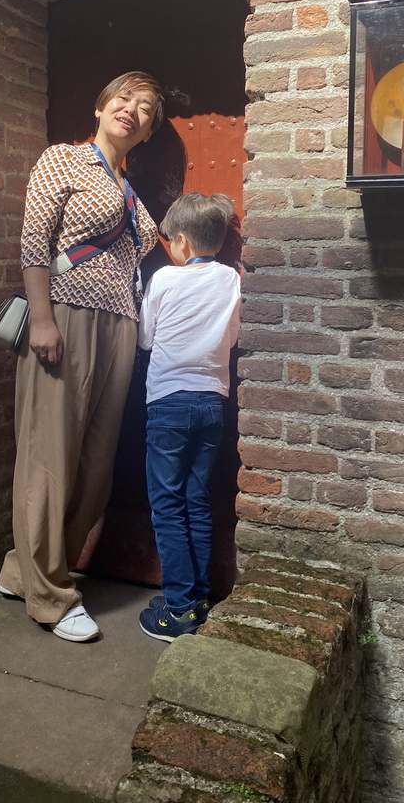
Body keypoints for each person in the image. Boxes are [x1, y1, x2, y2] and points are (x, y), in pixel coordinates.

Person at [0, 72, 163, 642]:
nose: (132, 111)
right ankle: (49, 597)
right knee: (50, 456)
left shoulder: (129, 188)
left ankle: (28, 571)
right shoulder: (62, 161)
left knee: (94, 466)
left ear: (147, 132)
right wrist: (41, 319)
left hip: (118, 326)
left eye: (146, 109)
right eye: (124, 99)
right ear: (100, 106)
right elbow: (34, 242)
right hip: (64, 316)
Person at [136, 192, 241, 642]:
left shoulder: (164, 280)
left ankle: (177, 610)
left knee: (167, 507)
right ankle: (199, 599)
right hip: (212, 404)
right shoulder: (233, 280)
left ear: (179, 241)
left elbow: (145, 339)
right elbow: (233, 337)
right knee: (197, 501)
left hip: (168, 405)